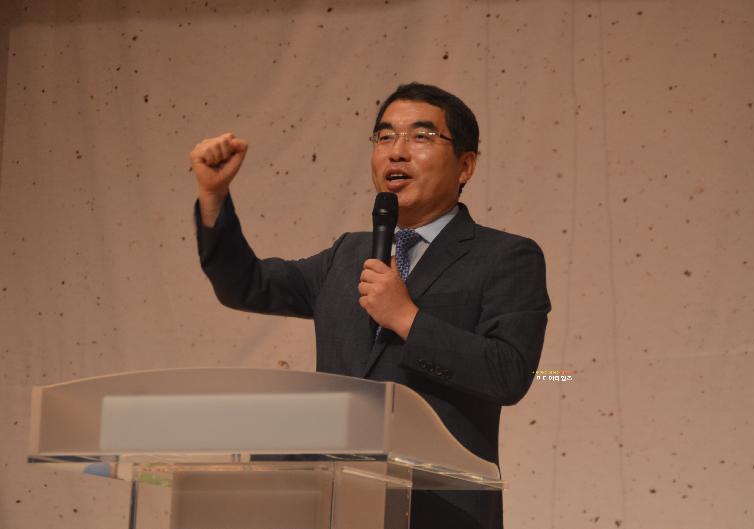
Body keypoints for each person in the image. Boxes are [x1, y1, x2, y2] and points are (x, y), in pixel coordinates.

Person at [191, 82, 551, 529]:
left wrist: (407, 318)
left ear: (465, 165)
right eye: (385, 137)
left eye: (421, 136)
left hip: (442, 513)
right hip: (335, 506)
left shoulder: (505, 257)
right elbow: (247, 285)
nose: (397, 152)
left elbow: (509, 373)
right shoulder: (347, 254)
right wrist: (213, 199)